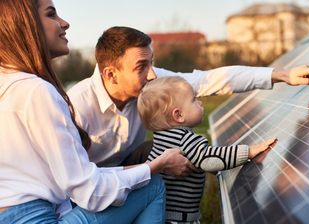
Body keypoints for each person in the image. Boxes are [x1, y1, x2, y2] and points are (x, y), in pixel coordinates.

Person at [0, 0, 194, 223]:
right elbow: (90, 193)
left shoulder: (8, 85)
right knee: (153, 185)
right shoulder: (37, 91)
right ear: (24, 25)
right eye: (51, 14)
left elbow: (76, 180)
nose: (65, 23)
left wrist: (148, 166)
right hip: (36, 218)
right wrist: (156, 167)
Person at [67, 26, 309, 168]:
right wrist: (153, 169)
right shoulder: (76, 107)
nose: (151, 75)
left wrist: (281, 74)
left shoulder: (152, 82)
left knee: (174, 148)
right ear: (111, 75)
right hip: (92, 187)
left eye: (152, 63)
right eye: (141, 67)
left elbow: (209, 80)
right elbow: (75, 180)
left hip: (130, 167)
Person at [137, 76, 278, 223]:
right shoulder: (184, 139)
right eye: (193, 100)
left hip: (163, 214)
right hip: (178, 220)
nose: (200, 102)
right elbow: (209, 158)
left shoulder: (162, 137)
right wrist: (248, 151)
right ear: (179, 115)